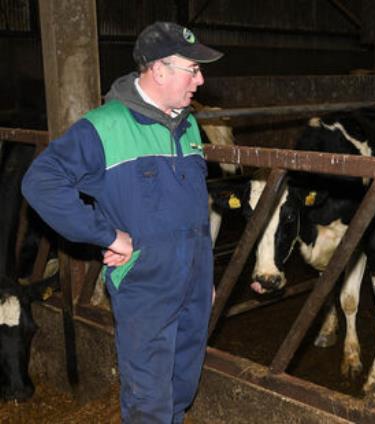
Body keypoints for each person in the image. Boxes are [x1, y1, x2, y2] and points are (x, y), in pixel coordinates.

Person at [21, 21, 223, 423]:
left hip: (195, 284)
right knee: (149, 401)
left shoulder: (189, 125)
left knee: (181, 388)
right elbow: (41, 182)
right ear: (159, 70)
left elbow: (192, 207)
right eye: (192, 69)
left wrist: (205, 273)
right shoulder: (104, 126)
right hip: (145, 285)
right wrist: (106, 235)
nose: (200, 79)